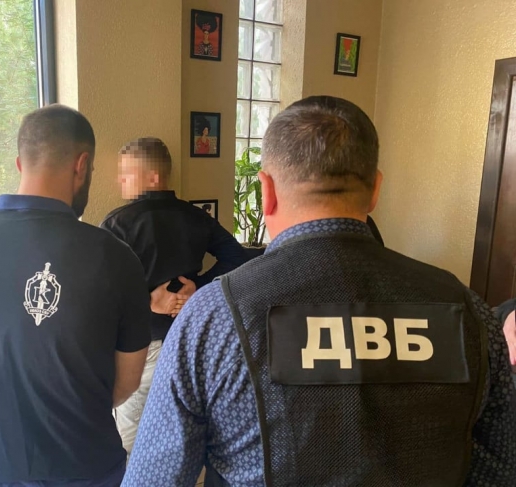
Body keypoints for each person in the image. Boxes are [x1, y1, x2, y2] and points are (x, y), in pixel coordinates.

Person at [123, 96, 516, 486]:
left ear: (266, 192)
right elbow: (500, 470)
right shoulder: (469, 312)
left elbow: (153, 479)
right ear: (375, 190)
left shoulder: (214, 318)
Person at [0, 104, 151, 487]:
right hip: (83, 472)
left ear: (19, 164)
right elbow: (125, 383)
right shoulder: (114, 259)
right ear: (82, 165)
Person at [100, 137, 248, 458]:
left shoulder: (116, 224)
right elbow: (237, 258)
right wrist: (199, 288)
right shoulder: (196, 217)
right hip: (190, 340)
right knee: (180, 431)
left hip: (140, 347)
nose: (119, 180)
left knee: (129, 440)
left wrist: (146, 301)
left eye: (126, 173)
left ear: (153, 177)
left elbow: (101, 290)